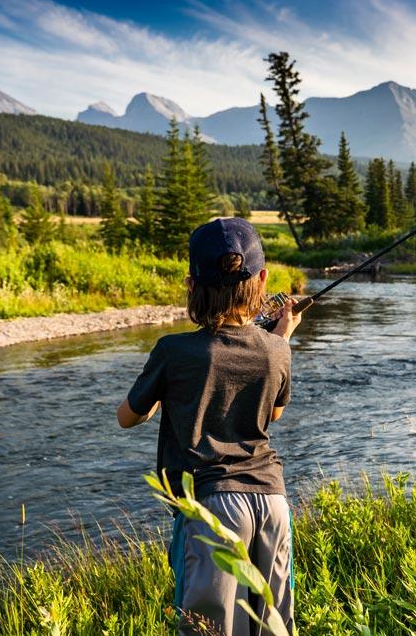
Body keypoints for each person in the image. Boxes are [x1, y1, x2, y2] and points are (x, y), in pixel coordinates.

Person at [116, 217, 301, 635]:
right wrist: (281, 338)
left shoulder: (172, 351)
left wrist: (167, 393)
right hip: (273, 502)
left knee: (209, 631)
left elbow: (127, 417)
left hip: (212, 508)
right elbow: (273, 414)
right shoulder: (277, 350)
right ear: (263, 279)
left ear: (190, 285)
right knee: (273, 626)